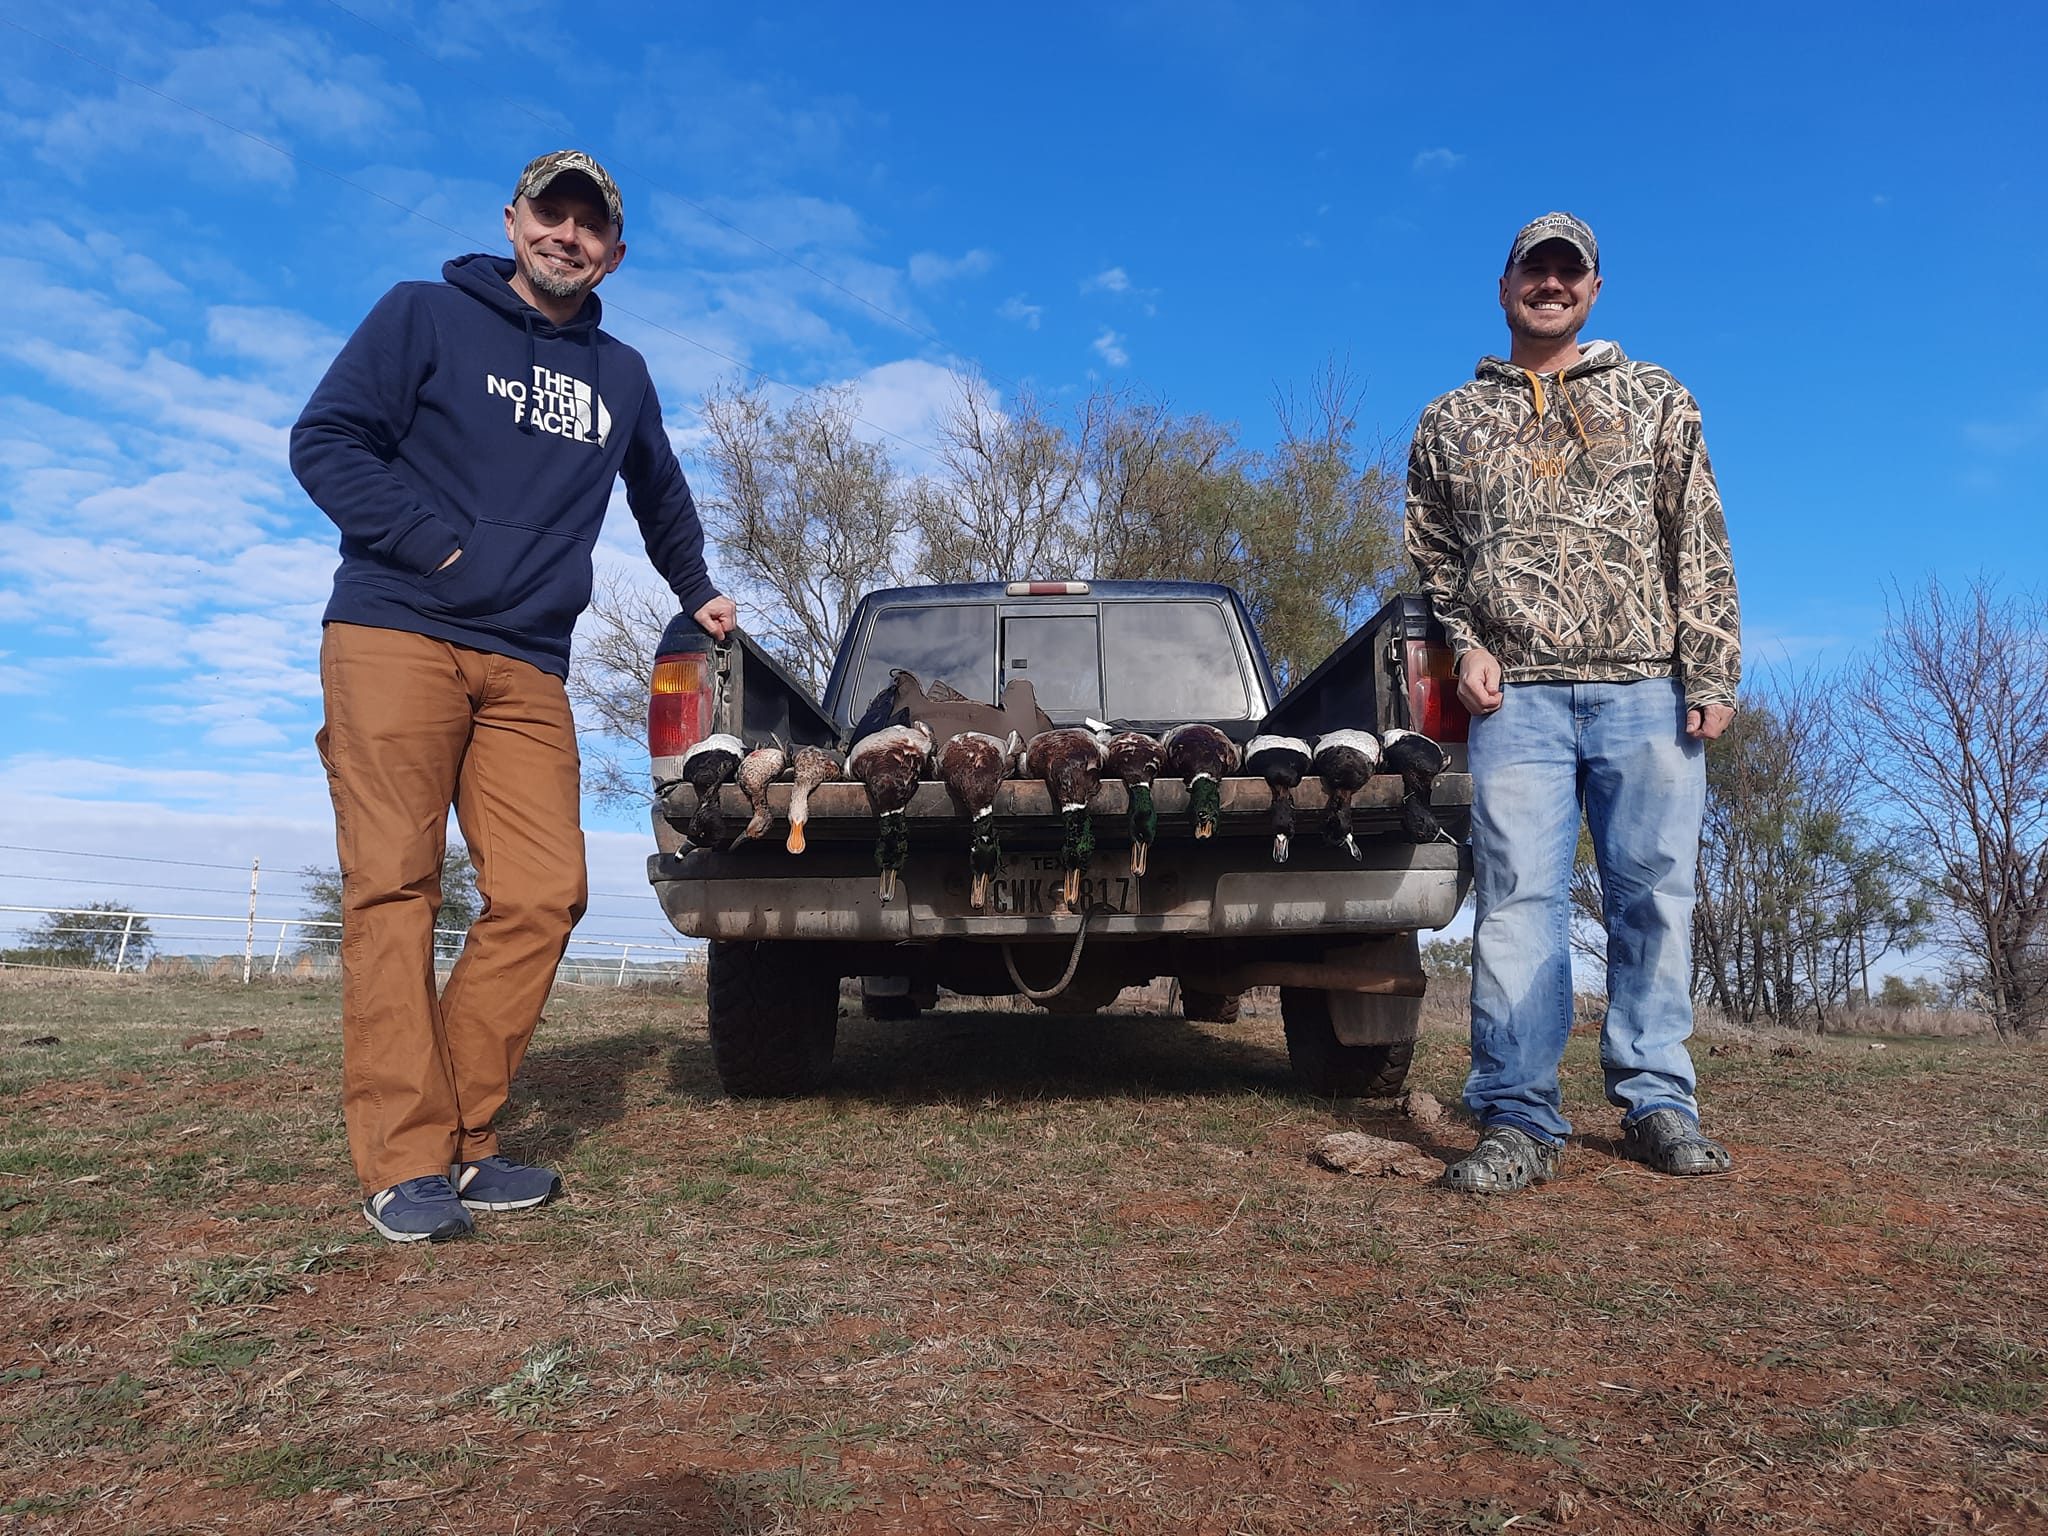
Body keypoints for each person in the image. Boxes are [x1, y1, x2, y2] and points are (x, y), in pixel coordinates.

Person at [292, 151, 737, 1241]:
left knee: (544, 891)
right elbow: (326, 441)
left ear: (614, 254)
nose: (568, 235)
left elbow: (660, 492)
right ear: (514, 220)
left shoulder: (621, 374)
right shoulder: (420, 316)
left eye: (591, 225)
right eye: (553, 214)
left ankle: (463, 1133)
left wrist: (700, 592)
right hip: (396, 632)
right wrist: (436, 550)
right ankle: (407, 1161)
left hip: (530, 662)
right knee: (394, 888)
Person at [1405, 211, 1740, 1194]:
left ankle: (1656, 1100)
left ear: (1592, 291)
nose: (1549, 284)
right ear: (1503, 286)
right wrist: (1463, 649)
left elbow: (1699, 535)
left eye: (1568, 272)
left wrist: (1710, 668)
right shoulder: (1448, 421)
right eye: (1532, 269)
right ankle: (1515, 1116)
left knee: (1651, 901)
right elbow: (1433, 560)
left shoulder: (1655, 397)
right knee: (1515, 906)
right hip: (1518, 702)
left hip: (1646, 687)